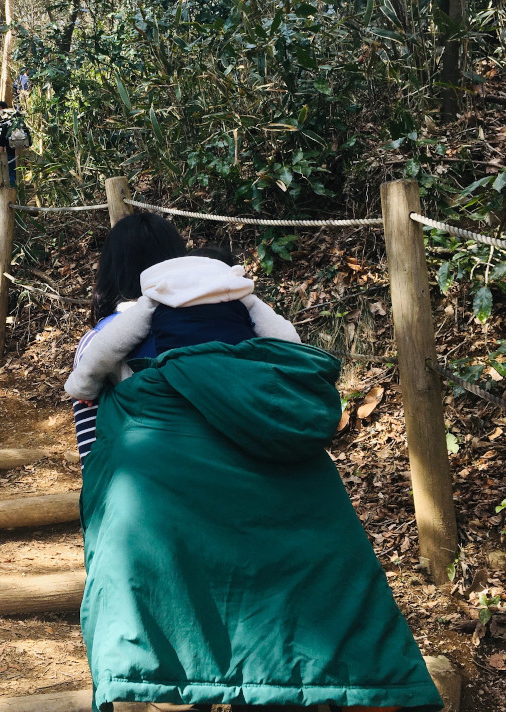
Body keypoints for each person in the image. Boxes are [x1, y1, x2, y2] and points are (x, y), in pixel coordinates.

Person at [69, 213, 443, 712]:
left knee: (179, 608)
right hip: (280, 486)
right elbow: (288, 354)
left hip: (165, 493)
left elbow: (92, 447)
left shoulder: (110, 338)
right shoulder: (244, 324)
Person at [65, 245, 300, 409]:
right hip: (237, 378)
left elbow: (109, 344)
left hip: (174, 383)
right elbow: (286, 339)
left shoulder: (161, 294)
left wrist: (84, 385)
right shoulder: (238, 294)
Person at [0, 101, 18, 186]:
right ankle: (14, 181)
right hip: (13, 139)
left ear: (0, 107)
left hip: (0, 138)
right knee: (12, 159)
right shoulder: (13, 112)